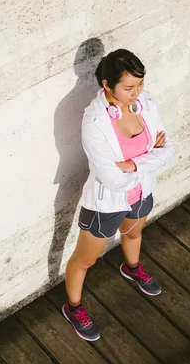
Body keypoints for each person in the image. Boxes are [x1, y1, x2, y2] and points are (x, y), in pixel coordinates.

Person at [62, 48, 175, 341]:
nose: (137, 92)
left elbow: (169, 151)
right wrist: (151, 156)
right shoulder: (94, 121)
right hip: (107, 204)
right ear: (107, 86)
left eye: (140, 84)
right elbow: (112, 179)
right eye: (128, 87)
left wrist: (133, 163)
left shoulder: (146, 102)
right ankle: (73, 308)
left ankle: (132, 268)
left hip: (142, 192)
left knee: (135, 235)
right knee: (85, 260)